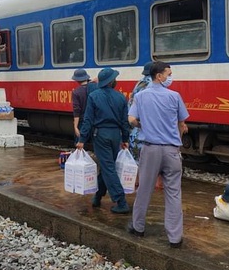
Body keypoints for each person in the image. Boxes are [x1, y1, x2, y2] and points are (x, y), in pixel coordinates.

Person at [127, 61, 189, 247]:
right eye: (168, 73)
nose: (170, 77)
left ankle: (138, 228)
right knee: (174, 193)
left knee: (144, 189)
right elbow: (182, 123)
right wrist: (177, 141)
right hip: (171, 151)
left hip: (151, 149)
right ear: (159, 76)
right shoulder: (175, 96)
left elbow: (131, 119)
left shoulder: (141, 96)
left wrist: (142, 124)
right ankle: (175, 238)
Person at [77, 67, 131, 214]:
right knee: (108, 167)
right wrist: (125, 139)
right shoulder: (121, 97)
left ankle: (121, 202)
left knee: (108, 168)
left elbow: (88, 120)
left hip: (100, 135)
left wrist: (82, 139)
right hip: (116, 135)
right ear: (112, 82)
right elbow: (125, 122)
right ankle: (98, 196)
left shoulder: (94, 96)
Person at [128, 62, 153, 161]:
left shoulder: (140, 83)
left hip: (134, 130)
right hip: (146, 130)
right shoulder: (152, 84)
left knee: (137, 163)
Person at [71, 68, 97, 142]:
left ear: (76, 80)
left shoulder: (76, 92)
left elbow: (76, 110)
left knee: (80, 143)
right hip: (94, 119)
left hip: (82, 121)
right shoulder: (95, 88)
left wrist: (75, 126)